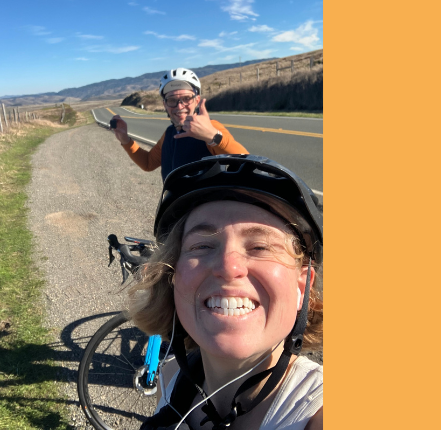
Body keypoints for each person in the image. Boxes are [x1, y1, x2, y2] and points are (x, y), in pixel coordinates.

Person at [127, 154, 323, 429]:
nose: (228, 267)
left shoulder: (317, 412)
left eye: (260, 247)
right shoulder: (170, 379)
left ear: (302, 286)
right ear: (172, 277)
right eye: (202, 246)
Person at [110, 68, 248, 180]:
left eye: (186, 98)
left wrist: (213, 137)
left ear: (197, 100)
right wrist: (126, 140)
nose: (179, 106)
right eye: (172, 100)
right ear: (164, 104)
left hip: (206, 211)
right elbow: (148, 164)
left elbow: (246, 164)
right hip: (175, 207)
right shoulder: (169, 133)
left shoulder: (211, 128)